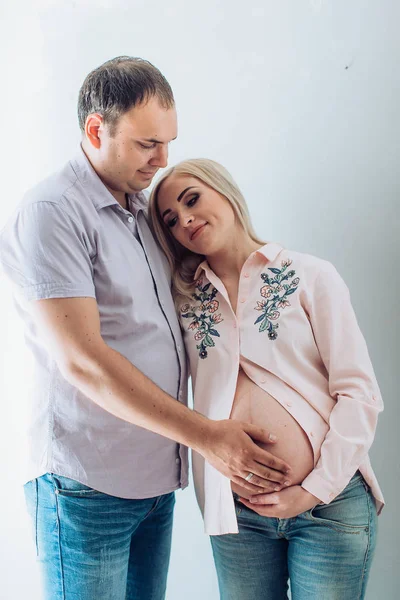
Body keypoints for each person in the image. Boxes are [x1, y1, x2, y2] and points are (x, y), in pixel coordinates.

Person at [0, 58, 291, 600]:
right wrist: (208, 438)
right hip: (86, 485)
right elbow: (82, 360)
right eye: (146, 144)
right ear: (95, 130)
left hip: (155, 484)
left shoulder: (143, 209)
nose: (162, 160)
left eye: (169, 142)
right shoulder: (52, 211)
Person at [148, 157, 385, 600]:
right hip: (237, 517)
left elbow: (359, 394)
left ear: (225, 190)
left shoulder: (309, 274)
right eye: (171, 220)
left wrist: (312, 491)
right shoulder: (181, 302)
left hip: (329, 507)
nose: (186, 220)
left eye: (192, 200)